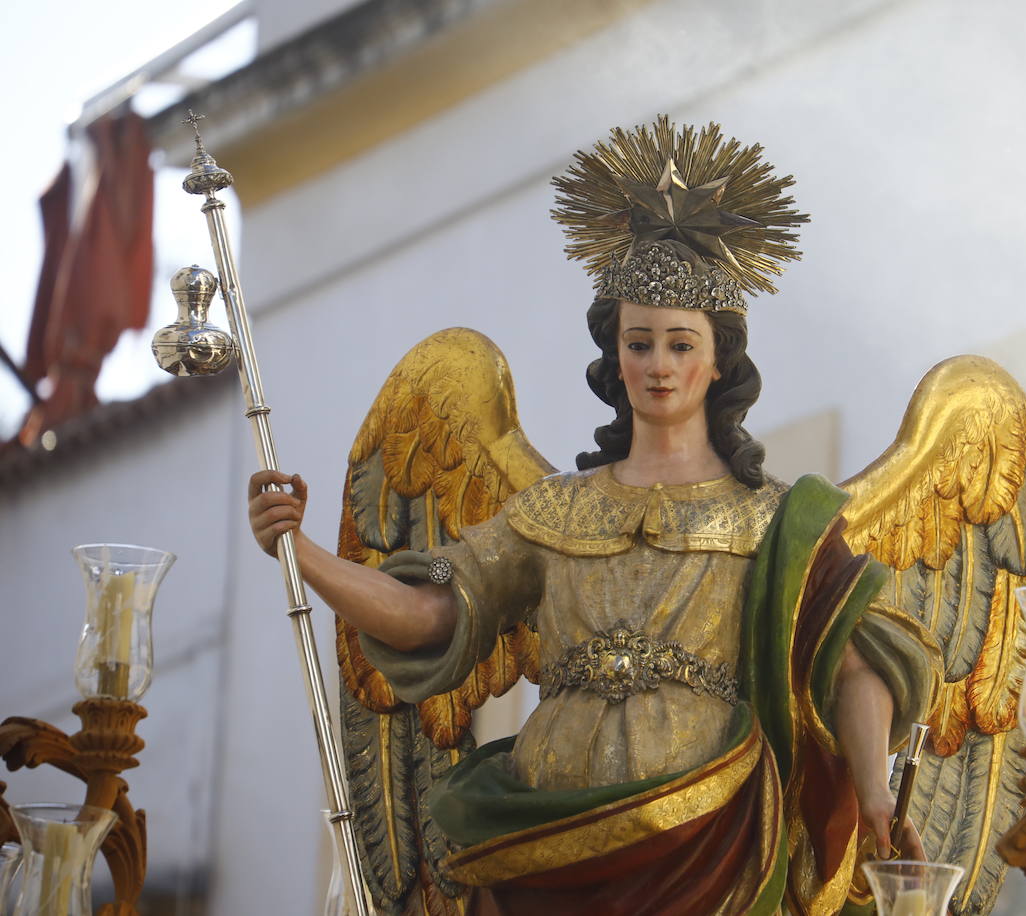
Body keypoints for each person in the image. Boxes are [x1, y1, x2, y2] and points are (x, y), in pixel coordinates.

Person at [247, 119, 938, 915]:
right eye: (638, 342)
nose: (658, 365)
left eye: (681, 344)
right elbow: (438, 595)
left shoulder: (775, 521)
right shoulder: (551, 511)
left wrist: (875, 792)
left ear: (719, 362)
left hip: (709, 837)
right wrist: (306, 554)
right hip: (547, 838)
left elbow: (854, 667)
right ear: (615, 356)